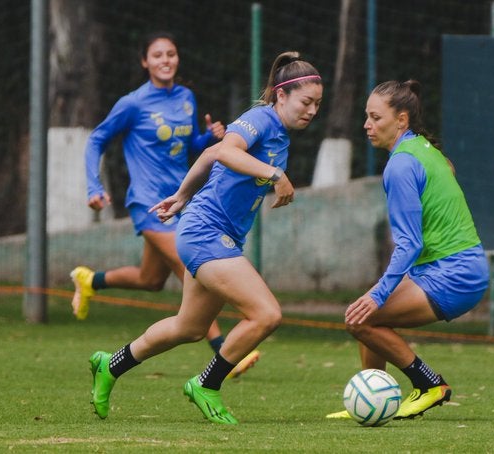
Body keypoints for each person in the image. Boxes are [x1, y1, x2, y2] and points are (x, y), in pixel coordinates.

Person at [87, 51, 323, 424]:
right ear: (281, 96)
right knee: (266, 314)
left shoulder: (280, 134)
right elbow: (227, 150)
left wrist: (182, 195)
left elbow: (212, 154)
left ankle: (110, 365)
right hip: (205, 233)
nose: (311, 110)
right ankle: (206, 384)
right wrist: (275, 176)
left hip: (212, 231)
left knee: (189, 328)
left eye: (317, 104)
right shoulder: (259, 118)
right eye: (306, 102)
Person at [70, 31, 259, 378]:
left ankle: (90, 281)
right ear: (145, 62)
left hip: (181, 201)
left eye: (171, 54)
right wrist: (94, 186)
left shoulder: (186, 98)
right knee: (192, 267)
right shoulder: (132, 103)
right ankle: (225, 354)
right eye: (157, 55)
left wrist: (208, 138)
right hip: (147, 204)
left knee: (151, 279)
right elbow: (97, 138)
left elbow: (188, 149)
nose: (165, 60)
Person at [326, 80, 489, 420]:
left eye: (375, 117)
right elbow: (447, 174)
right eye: (366, 117)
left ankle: (430, 385)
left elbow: (410, 243)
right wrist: (375, 294)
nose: (367, 125)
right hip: (455, 268)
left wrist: (379, 294)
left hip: (453, 273)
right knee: (363, 310)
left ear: (401, 120)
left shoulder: (400, 165)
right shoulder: (424, 150)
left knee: (363, 315)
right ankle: (375, 397)